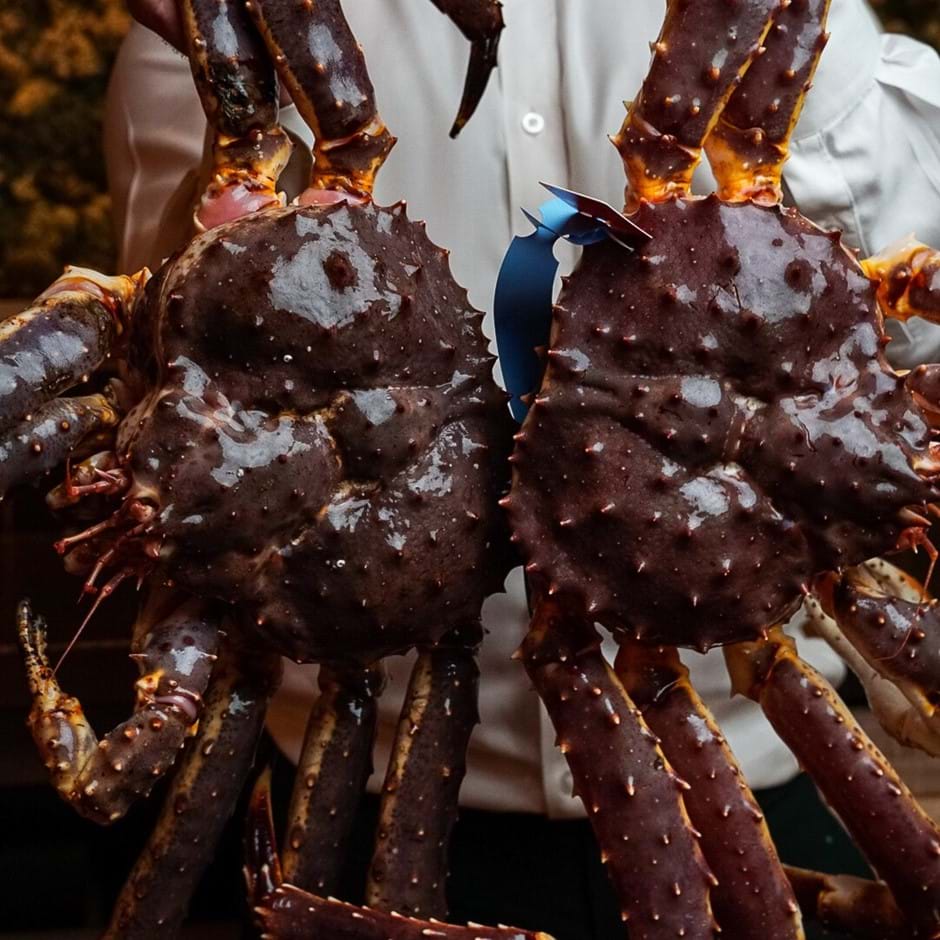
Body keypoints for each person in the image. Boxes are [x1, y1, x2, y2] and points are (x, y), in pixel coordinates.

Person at [107, 2, 940, 937]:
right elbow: (171, 382)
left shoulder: (793, 27)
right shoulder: (213, 32)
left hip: (765, 782)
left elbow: (892, 334)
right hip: (357, 780)